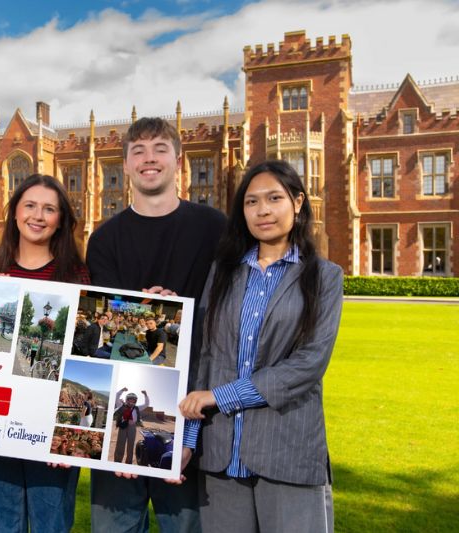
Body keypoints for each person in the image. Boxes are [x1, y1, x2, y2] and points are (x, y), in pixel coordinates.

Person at [179, 160, 343, 533]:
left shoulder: (324, 277)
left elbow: (307, 364)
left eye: (274, 198)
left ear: (297, 202)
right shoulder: (223, 271)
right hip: (221, 454)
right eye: (251, 202)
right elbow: (206, 356)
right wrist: (188, 440)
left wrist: (221, 395)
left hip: (287, 450)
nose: (263, 210)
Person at [85, 117, 227, 532]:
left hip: (191, 414)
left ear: (179, 160)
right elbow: (110, 338)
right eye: (139, 152)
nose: (150, 159)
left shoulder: (214, 227)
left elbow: (225, 322)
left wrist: (186, 438)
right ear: (124, 165)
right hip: (122, 412)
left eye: (160, 149)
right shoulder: (105, 238)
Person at [0, 173, 90, 532]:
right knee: (0, 524)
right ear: (14, 213)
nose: (37, 216)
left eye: (49, 209)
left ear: (61, 220)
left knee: (51, 524)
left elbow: (80, 358)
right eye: (29, 206)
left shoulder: (78, 276)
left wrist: (64, 433)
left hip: (47, 427)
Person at [112, 388, 150, 464]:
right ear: (127, 400)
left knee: (131, 445)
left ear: (135, 401)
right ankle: (117, 462)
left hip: (132, 428)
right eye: (130, 400)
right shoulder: (121, 405)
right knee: (120, 444)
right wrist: (122, 390)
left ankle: (128, 462)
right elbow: (116, 396)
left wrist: (145, 394)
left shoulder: (137, 408)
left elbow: (146, 404)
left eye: (133, 400)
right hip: (123, 426)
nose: (131, 402)